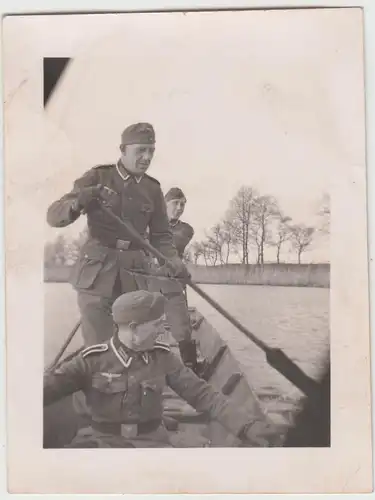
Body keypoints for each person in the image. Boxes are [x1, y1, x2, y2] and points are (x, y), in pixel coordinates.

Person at [44, 290, 281, 448]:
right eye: (157, 325)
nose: (162, 331)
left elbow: (204, 395)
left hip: (152, 443)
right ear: (134, 328)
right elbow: (45, 390)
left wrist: (247, 425)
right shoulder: (90, 360)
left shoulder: (164, 358)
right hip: (102, 442)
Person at [46, 122, 187, 346]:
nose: (147, 157)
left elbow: (161, 236)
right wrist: (81, 200)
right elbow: (53, 216)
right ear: (122, 150)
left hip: (135, 275)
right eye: (140, 150)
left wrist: (173, 261)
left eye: (151, 151)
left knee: (134, 343)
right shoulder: (97, 177)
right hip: (96, 275)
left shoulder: (153, 189)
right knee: (99, 346)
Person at [148, 187, 199, 371]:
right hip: (148, 283)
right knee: (141, 325)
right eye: (175, 203)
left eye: (183, 204)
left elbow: (172, 244)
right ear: (164, 204)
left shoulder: (186, 230)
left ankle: (191, 369)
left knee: (182, 328)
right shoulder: (147, 224)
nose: (179, 208)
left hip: (172, 282)